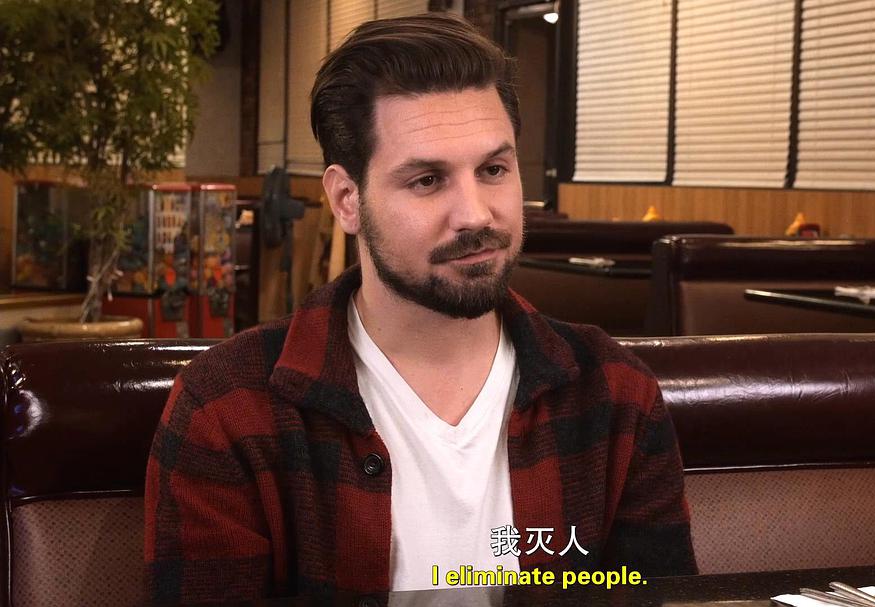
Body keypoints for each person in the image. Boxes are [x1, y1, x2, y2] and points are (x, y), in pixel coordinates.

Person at [144, 13, 694, 603]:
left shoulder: (613, 393)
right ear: (347, 199)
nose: (476, 214)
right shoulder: (230, 408)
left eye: (493, 170)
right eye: (428, 180)